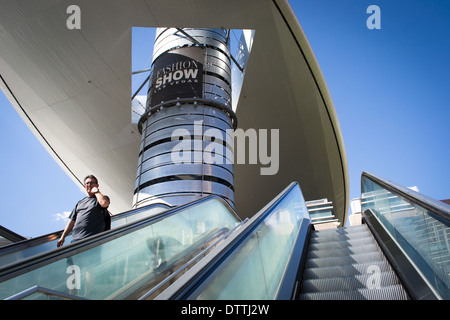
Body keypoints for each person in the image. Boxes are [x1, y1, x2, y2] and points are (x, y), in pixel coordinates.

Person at [57, 175, 110, 247]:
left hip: (93, 240)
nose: (89, 185)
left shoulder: (101, 198)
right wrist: (63, 237)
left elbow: (104, 203)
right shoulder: (80, 203)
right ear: (85, 186)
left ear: (97, 185)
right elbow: (72, 221)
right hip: (75, 240)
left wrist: (96, 191)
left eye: (92, 183)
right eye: (87, 183)